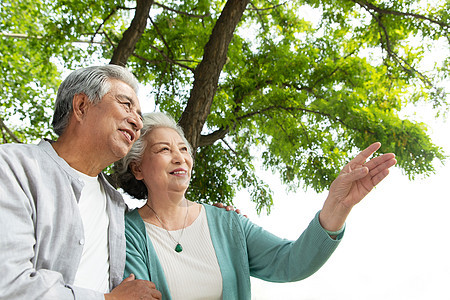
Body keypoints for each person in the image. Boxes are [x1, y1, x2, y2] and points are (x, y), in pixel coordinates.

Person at [113, 112, 397, 299]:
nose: (179, 157)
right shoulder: (126, 233)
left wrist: (337, 205)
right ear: (137, 168)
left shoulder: (228, 223)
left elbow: (290, 262)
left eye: (184, 149)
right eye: (164, 149)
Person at [0, 65, 162, 299]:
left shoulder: (117, 206)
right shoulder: (14, 167)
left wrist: (213, 217)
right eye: (126, 105)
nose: (138, 122)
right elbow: (9, 284)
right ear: (82, 106)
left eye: (139, 115)